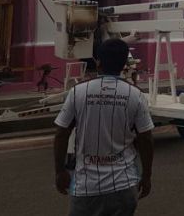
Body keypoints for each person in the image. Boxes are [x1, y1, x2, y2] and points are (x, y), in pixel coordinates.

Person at [53, 38, 154, 216]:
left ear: (98, 62)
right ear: (124, 64)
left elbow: (61, 133)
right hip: (123, 185)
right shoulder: (135, 95)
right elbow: (145, 138)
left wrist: (60, 170)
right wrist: (146, 176)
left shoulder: (78, 92)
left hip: (86, 187)